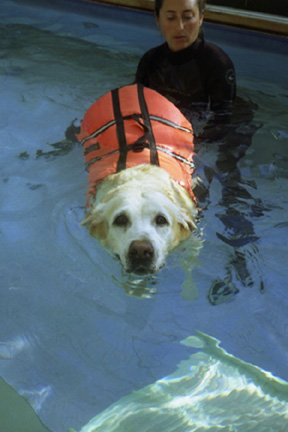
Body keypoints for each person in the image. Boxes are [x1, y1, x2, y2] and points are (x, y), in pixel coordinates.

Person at [135, 0, 236, 132]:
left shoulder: (218, 64)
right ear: (157, 19)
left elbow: (223, 120)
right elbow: (134, 105)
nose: (180, 27)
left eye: (187, 17)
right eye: (171, 18)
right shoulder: (150, 61)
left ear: (201, 17)